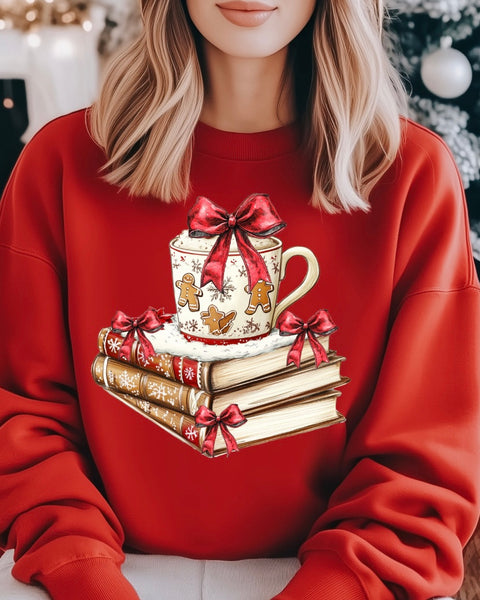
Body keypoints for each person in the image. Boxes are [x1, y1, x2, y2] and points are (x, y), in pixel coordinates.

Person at [0, 1, 479, 599]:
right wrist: (88, 580)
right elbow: (26, 417)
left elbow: (424, 462)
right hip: (91, 576)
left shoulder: (413, 177)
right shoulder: (60, 163)